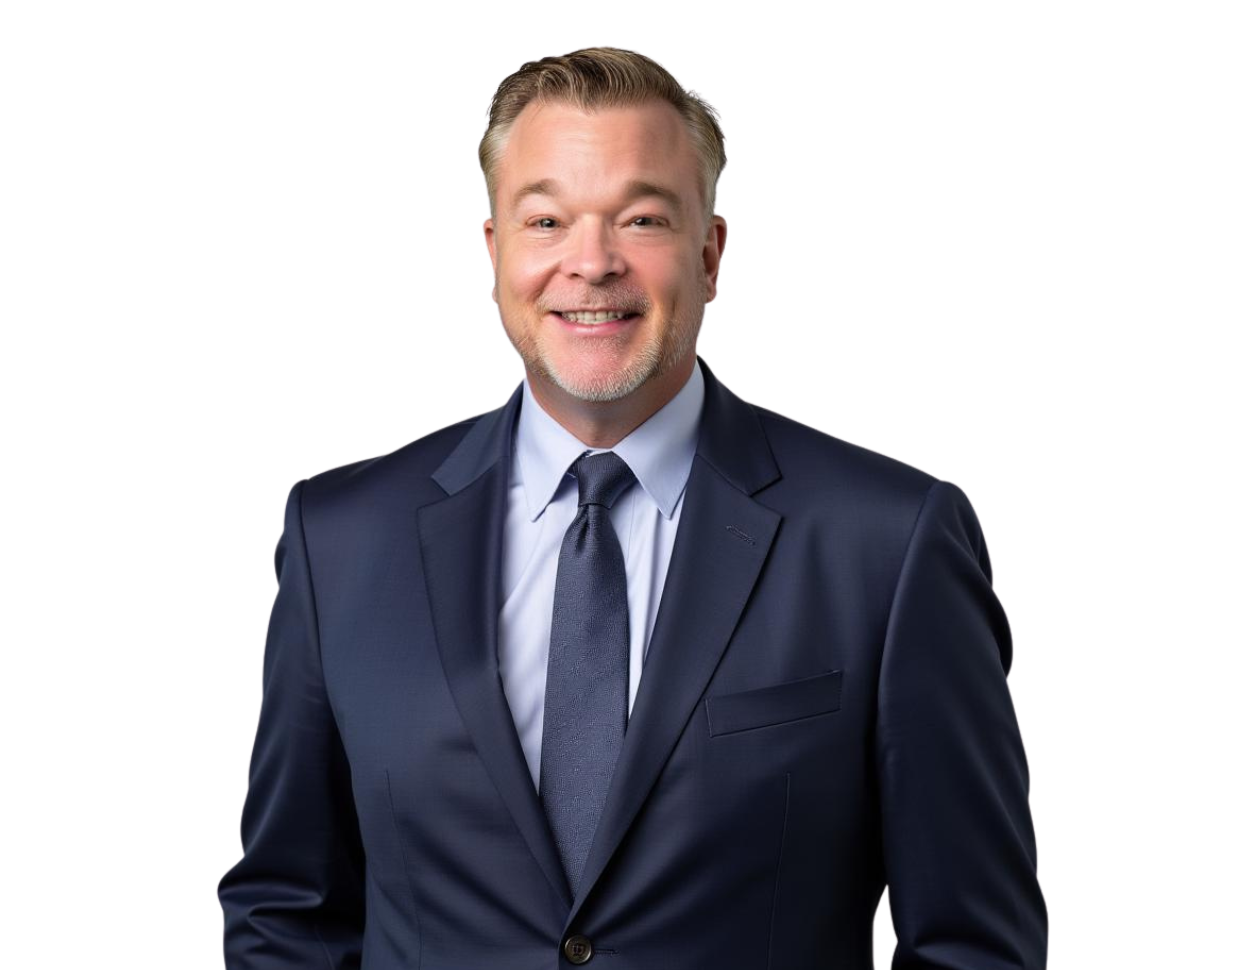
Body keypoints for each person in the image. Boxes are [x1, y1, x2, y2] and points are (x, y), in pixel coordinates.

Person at [218, 46, 1048, 969]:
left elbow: (977, 946)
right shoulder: (338, 537)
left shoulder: (890, 541)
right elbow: (286, 911)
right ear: (494, 255)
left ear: (711, 253)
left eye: (642, 218)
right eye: (547, 220)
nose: (592, 263)